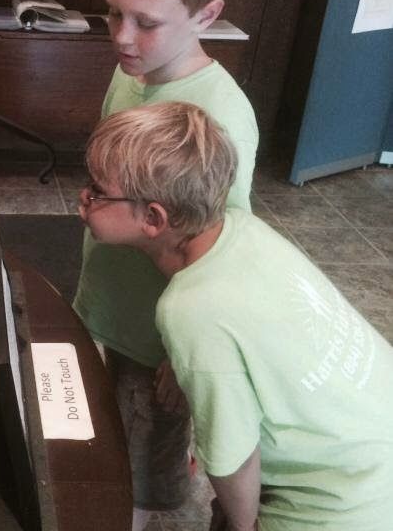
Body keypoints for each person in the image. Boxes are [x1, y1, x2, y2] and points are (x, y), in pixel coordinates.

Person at [81, 101, 393, 531]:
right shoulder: (245, 231)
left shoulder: (188, 310)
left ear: (153, 218)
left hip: (341, 508)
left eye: (96, 191)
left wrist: (243, 526)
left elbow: (233, 459)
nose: (85, 198)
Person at [72, 0, 259, 528]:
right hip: (114, 305)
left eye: (145, 21)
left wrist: (184, 359)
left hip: (164, 339)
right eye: (113, 13)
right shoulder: (134, 70)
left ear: (206, 15)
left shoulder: (220, 121)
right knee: (113, 438)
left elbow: (224, 255)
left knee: (145, 477)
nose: (121, 35)